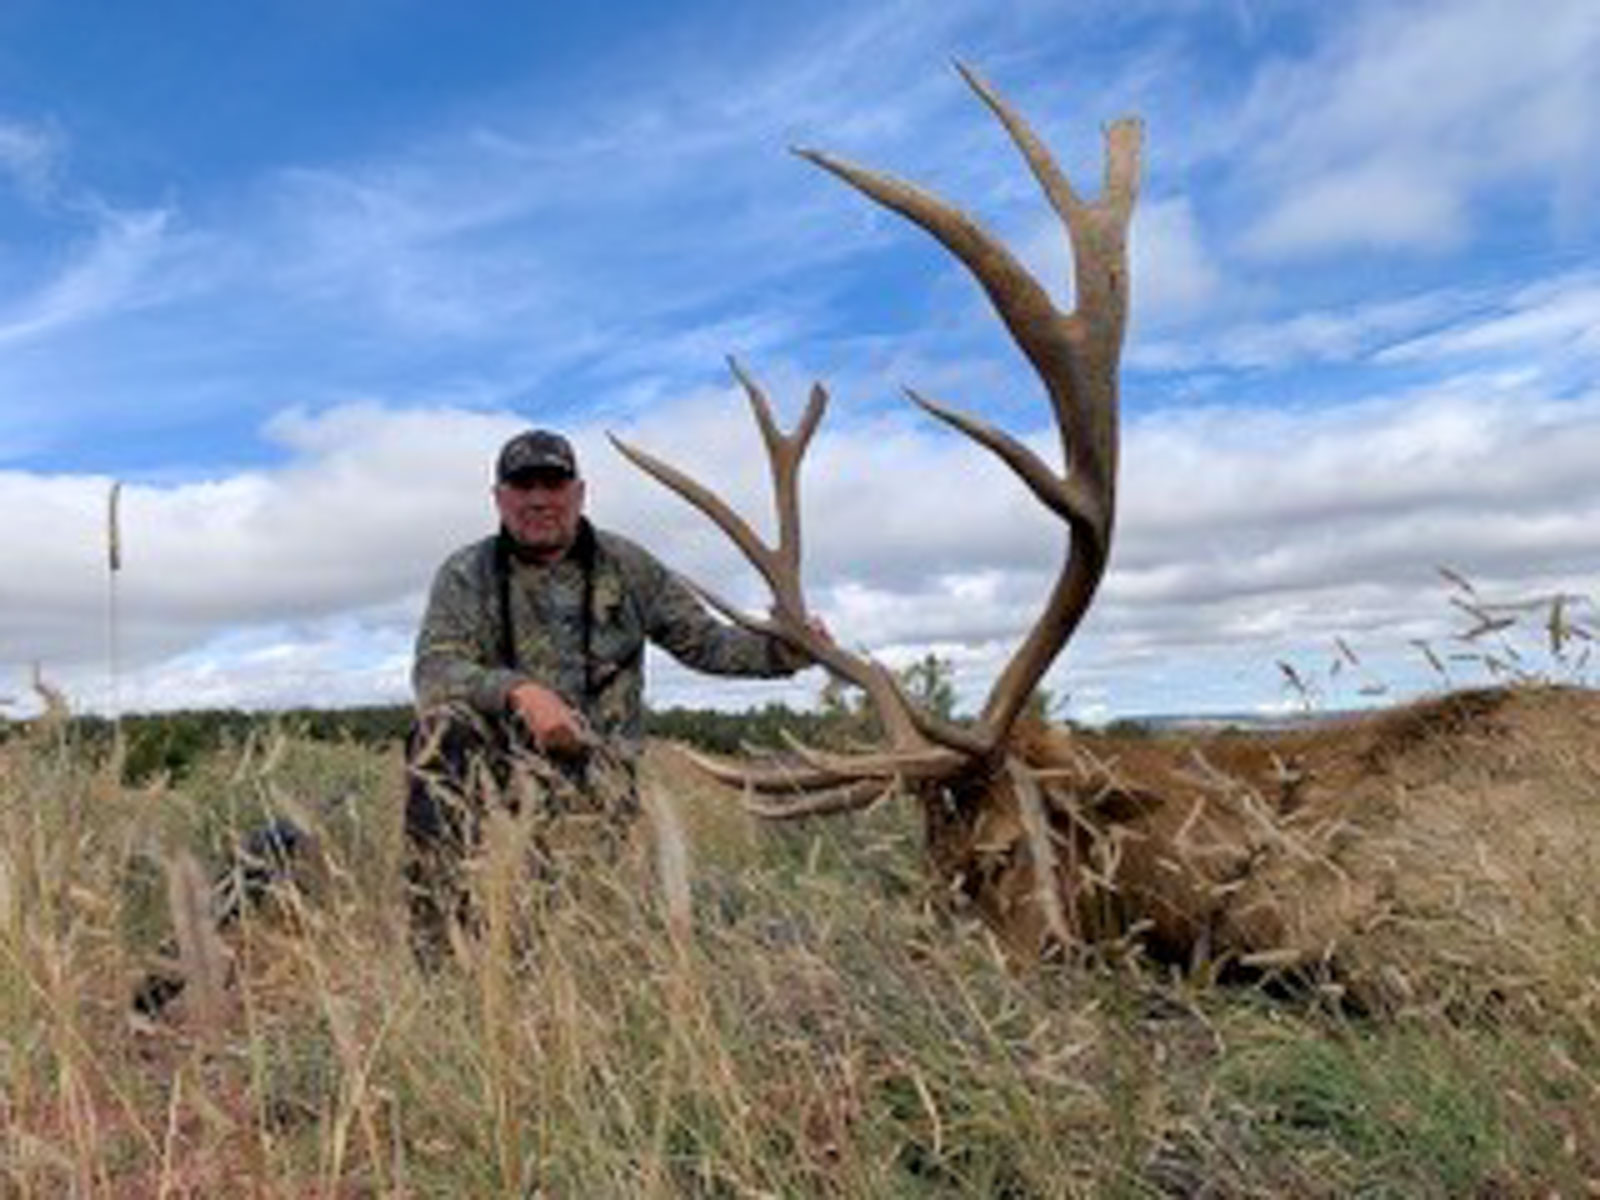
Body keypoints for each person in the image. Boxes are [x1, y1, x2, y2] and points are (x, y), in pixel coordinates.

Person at [405, 428, 815, 960]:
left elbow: (706, 643)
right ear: (499, 498)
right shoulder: (466, 573)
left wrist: (783, 651)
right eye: (523, 485)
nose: (538, 499)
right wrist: (520, 691)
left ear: (579, 493)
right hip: (498, 768)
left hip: (598, 778)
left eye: (553, 484)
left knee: (562, 937)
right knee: (439, 734)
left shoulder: (627, 566)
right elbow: (435, 670)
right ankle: (439, 949)